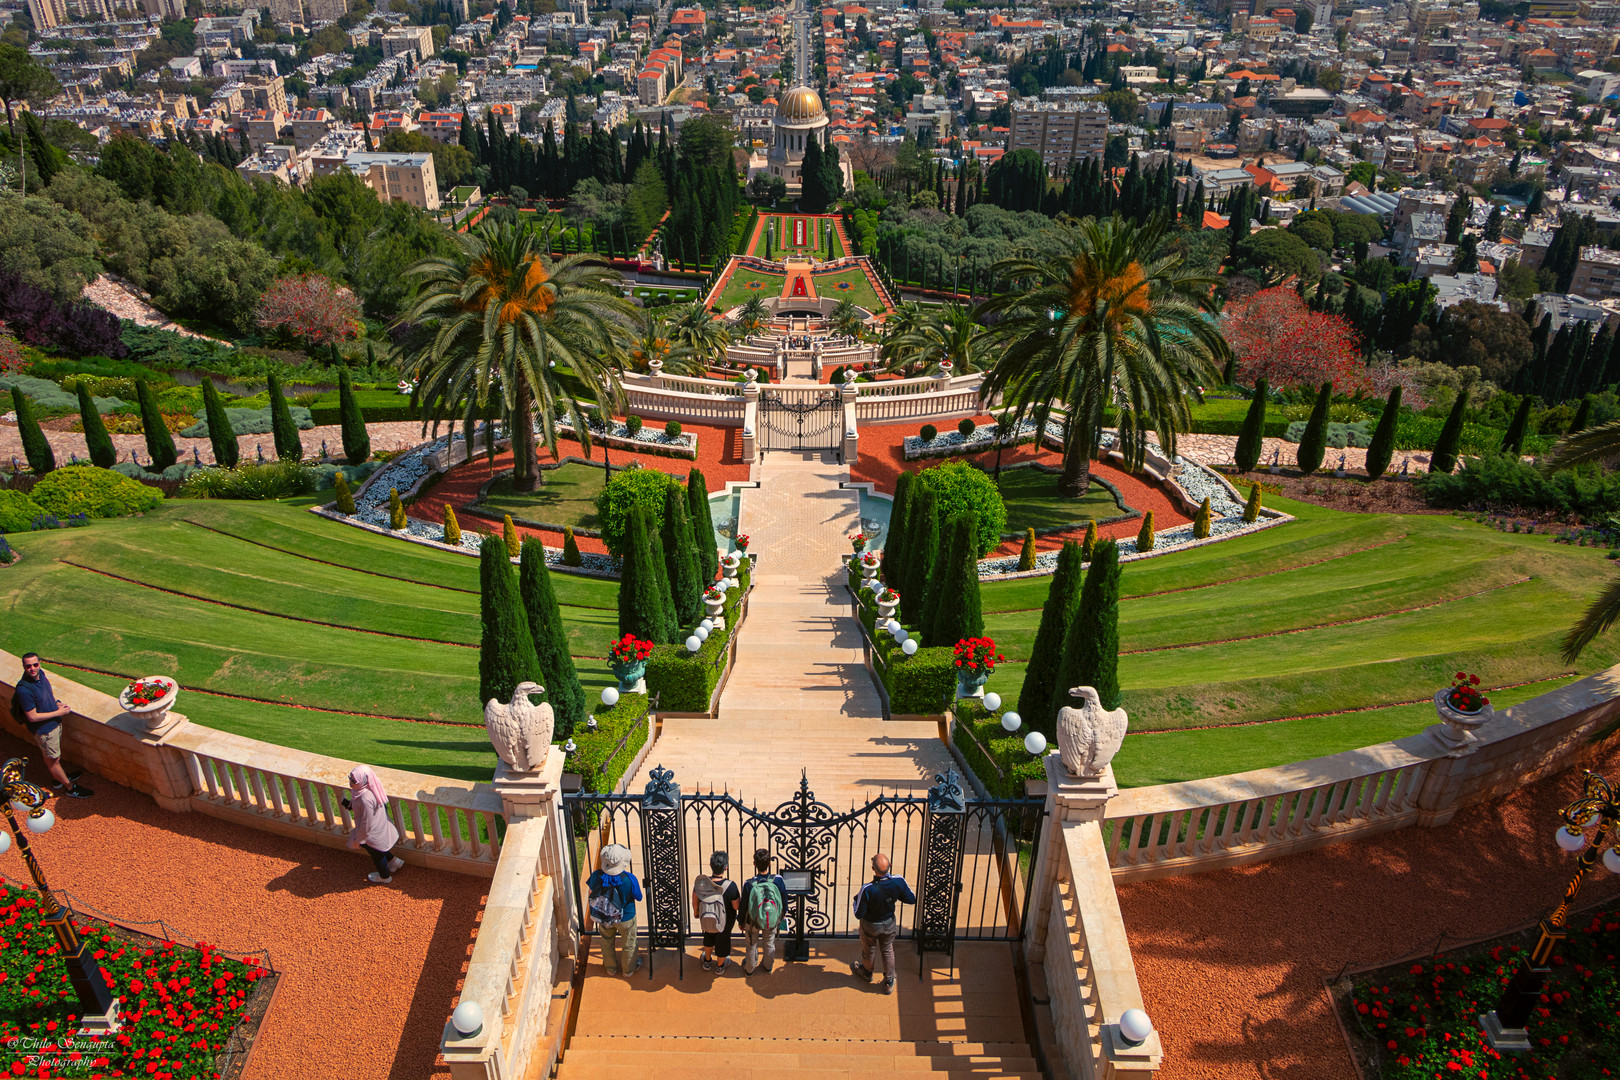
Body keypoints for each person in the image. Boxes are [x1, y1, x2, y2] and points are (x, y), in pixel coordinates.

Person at [12, 654, 92, 799]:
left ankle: (58, 779)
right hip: (45, 731)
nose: (32, 668)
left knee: (53, 757)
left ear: (39, 663)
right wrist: (58, 712)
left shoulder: (40, 675)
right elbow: (32, 716)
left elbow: (46, 694)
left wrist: (57, 703)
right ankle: (70, 787)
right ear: (23, 667)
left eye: (35, 665)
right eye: (28, 666)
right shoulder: (24, 690)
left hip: (53, 725)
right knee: (53, 760)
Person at [850, 853, 917, 995]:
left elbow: (858, 913)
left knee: (869, 949)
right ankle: (889, 981)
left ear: (873, 868)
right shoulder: (898, 881)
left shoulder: (867, 889)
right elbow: (911, 899)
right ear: (890, 866)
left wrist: (856, 900)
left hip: (870, 925)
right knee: (887, 950)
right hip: (888, 923)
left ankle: (867, 972)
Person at [587, 844, 644, 976]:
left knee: (606, 941)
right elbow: (639, 897)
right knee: (629, 943)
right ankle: (628, 970)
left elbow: (591, 892)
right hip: (626, 917)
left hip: (604, 916)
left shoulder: (596, 876)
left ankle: (610, 968)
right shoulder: (629, 879)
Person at [343, 764, 402, 884]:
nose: (350, 782)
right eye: (350, 778)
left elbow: (367, 822)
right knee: (379, 849)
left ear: (363, 781)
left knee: (376, 854)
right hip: (379, 828)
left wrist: (359, 839)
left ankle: (385, 877)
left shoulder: (365, 798)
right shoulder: (369, 789)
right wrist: (352, 805)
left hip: (370, 833)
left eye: (354, 780)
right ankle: (394, 862)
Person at [738, 847, 787, 975]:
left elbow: (743, 905)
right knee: (769, 942)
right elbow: (784, 901)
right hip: (771, 917)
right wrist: (779, 917)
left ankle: (749, 968)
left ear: (754, 864)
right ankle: (767, 966)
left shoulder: (749, 884)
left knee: (751, 944)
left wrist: (740, 921)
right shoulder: (778, 880)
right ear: (770, 863)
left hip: (752, 920)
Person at [691, 850, 739, 973]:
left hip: (706, 917)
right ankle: (720, 966)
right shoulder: (731, 886)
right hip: (725, 922)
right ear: (726, 868)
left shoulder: (702, 883)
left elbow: (695, 899)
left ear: (711, 866)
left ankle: (707, 961)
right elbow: (736, 906)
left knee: (708, 937)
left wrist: (696, 912)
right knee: (723, 942)